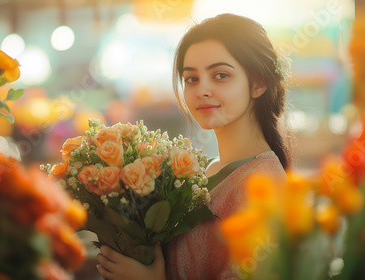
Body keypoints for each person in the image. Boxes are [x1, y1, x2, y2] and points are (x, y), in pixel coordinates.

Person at [96, 13, 290, 280]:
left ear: (258, 83)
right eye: (191, 79)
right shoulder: (210, 169)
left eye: (221, 75)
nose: (202, 90)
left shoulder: (263, 186)